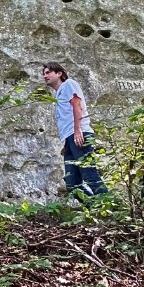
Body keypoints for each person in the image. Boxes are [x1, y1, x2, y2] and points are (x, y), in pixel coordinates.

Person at [41, 62, 108, 199]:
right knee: (72, 184)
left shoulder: (68, 84)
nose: (45, 76)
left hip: (79, 135)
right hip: (69, 139)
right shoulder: (59, 93)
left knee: (89, 173)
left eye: (48, 72)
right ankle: (96, 208)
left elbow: (76, 104)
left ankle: (113, 208)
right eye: (44, 73)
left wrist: (78, 130)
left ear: (59, 73)